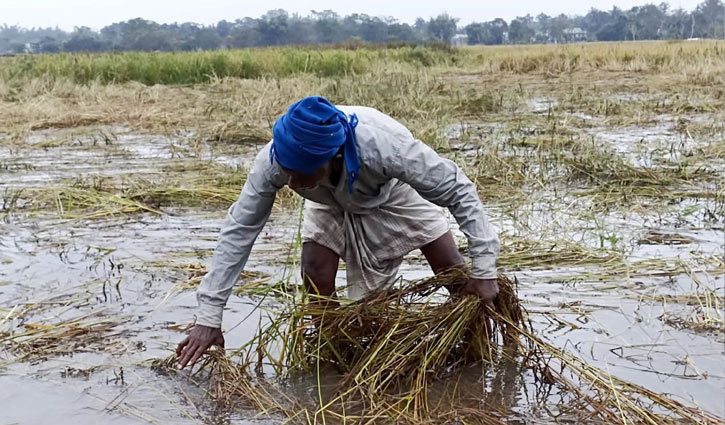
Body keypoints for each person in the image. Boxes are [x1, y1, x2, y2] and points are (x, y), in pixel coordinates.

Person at [176, 96, 500, 369]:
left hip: (390, 191)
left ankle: (479, 351)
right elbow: (239, 231)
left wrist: (485, 269)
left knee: (449, 265)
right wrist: (209, 317)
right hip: (327, 197)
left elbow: (459, 190)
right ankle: (333, 354)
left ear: (334, 156)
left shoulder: (386, 148)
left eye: (302, 174)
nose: (293, 186)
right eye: (288, 174)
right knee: (315, 270)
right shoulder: (278, 161)